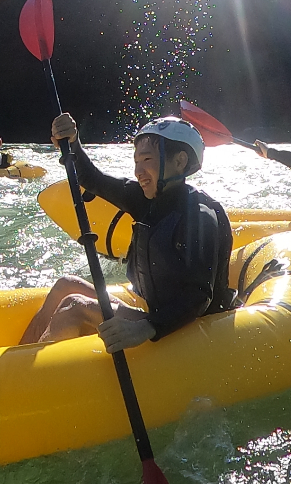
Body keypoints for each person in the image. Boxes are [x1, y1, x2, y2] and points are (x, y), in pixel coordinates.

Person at [19, 114, 235, 352]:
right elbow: (94, 179)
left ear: (180, 161)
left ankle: (23, 378)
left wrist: (147, 327)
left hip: (193, 327)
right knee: (65, 285)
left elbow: (198, 297)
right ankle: (17, 358)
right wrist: (72, 144)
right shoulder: (145, 200)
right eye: (136, 161)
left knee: (74, 306)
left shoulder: (200, 217)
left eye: (147, 159)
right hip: (157, 316)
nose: (138, 171)